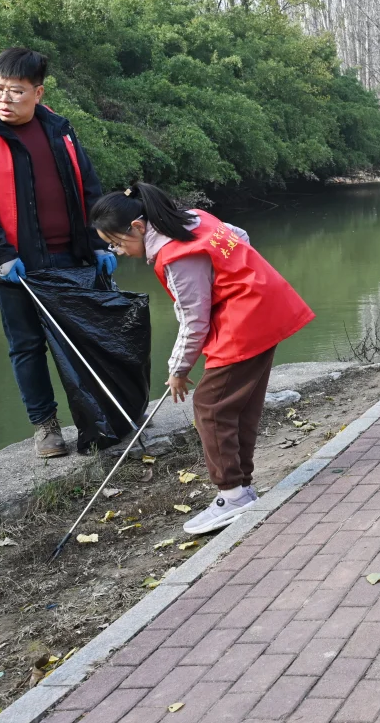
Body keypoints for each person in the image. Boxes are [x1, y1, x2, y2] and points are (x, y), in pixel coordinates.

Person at [89, 183, 314, 535]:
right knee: (240, 405)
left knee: (210, 405)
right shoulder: (194, 220)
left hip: (245, 321)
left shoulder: (177, 255)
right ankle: (242, 487)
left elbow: (193, 318)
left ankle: (232, 494)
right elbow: (240, 235)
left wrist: (177, 369)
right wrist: (236, 279)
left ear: (138, 227)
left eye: (117, 243)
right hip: (264, 307)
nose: (117, 251)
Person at [0, 47, 115, 459]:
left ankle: (99, 421)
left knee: (83, 339)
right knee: (26, 345)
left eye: (15, 91)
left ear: (38, 93)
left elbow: (88, 187)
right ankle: (45, 426)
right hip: (13, 265)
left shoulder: (60, 129)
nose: (3, 99)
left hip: (72, 257)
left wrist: (98, 241)